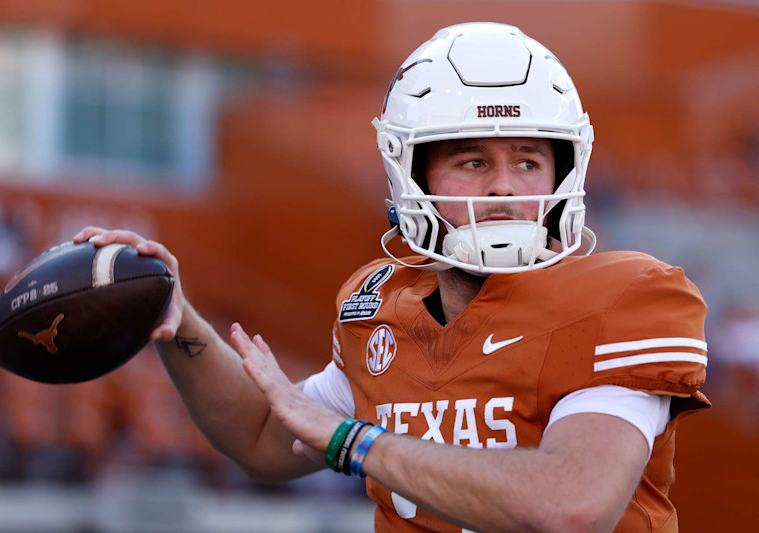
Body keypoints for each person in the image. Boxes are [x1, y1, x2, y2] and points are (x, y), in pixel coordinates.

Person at [74, 22, 709, 533]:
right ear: (413, 176)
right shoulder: (379, 305)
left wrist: (357, 443)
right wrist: (180, 320)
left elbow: (571, 506)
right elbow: (264, 439)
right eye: (471, 159)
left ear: (563, 174)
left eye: (527, 159)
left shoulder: (624, 298)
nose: (503, 186)